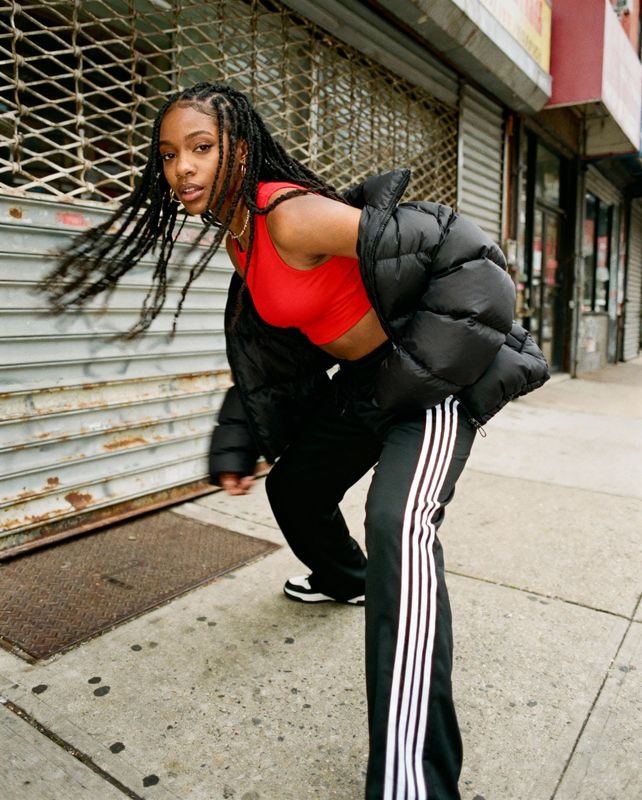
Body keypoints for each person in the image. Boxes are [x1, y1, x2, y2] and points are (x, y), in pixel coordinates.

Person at [40, 82, 548, 800]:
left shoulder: (290, 215)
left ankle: (413, 782)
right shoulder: (238, 235)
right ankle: (347, 580)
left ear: (240, 150)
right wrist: (238, 435)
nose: (181, 167)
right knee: (298, 487)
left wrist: (423, 378)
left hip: (429, 380)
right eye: (168, 155)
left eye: (201, 148)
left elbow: (469, 257)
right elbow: (271, 345)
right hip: (371, 381)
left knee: (398, 524)